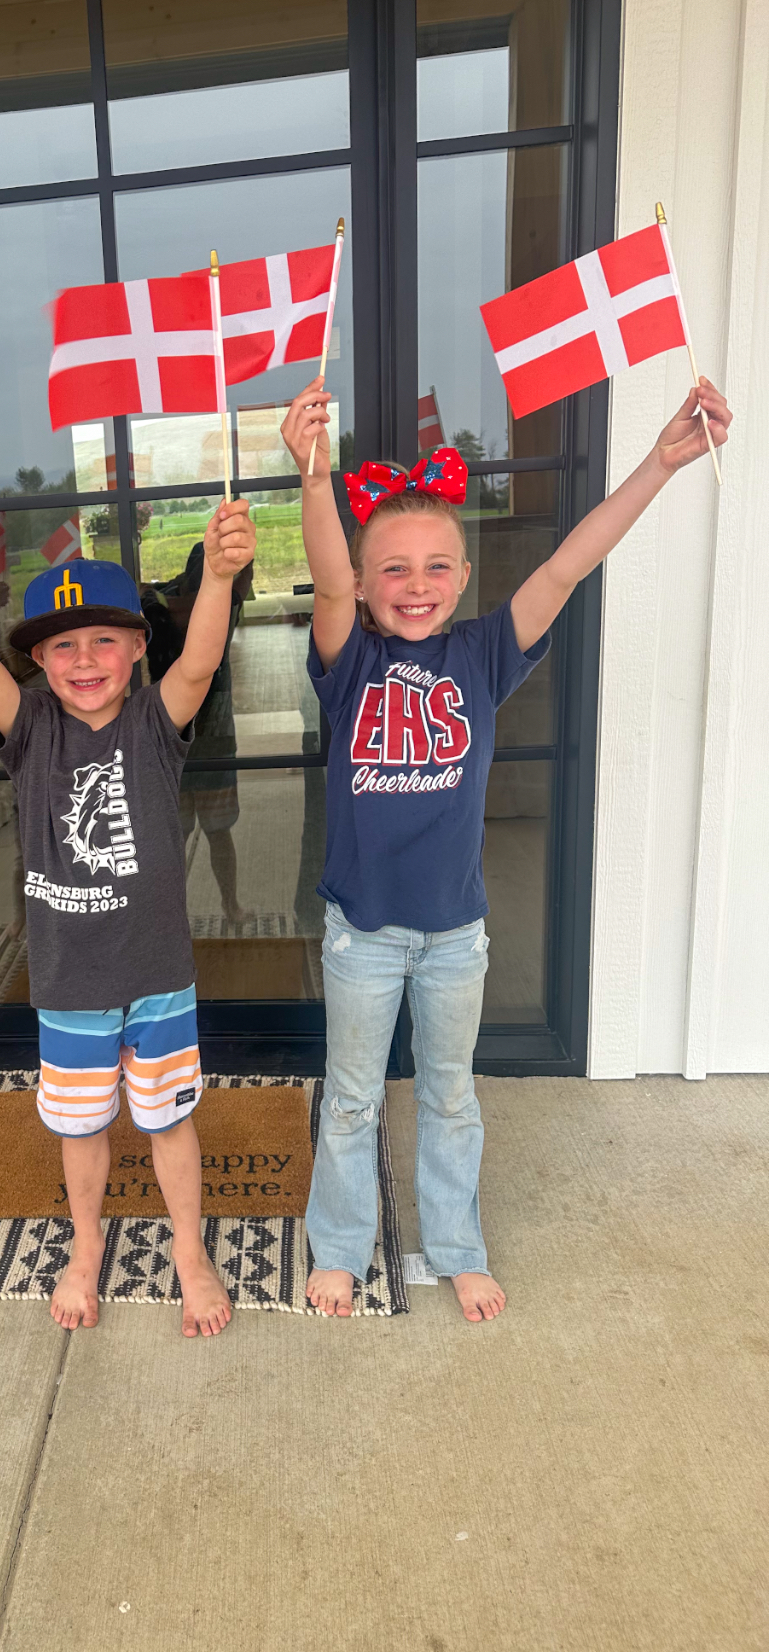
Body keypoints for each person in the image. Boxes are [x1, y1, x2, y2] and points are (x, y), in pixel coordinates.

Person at [281, 373, 731, 1322]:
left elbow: (567, 566)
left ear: (465, 577)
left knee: (451, 1098)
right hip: (363, 935)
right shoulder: (348, 660)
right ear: (364, 583)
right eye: (392, 569)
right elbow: (324, 577)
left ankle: (456, 1247)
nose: (415, 586)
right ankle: (338, 1246)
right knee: (353, 1100)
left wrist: (658, 463)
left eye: (437, 566)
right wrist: (313, 477)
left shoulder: (483, 655)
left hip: (454, 938)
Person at [0, 504, 258, 1336]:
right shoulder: (28, 729)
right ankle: (85, 1248)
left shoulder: (155, 722)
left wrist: (221, 578)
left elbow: (200, 663)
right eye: (62, 645)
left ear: (136, 648)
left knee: (169, 1120)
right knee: (81, 1124)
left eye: (103, 640)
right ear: (38, 662)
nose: (84, 659)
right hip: (69, 979)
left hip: (157, 972)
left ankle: (189, 1253)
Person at [142, 543, 254, 925]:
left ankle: (229, 904)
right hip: (178, 734)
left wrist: (150, 594)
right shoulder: (184, 602)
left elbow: (180, 604)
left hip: (209, 735)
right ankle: (182, 914)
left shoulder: (170, 604)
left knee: (216, 831)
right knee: (176, 836)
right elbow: (185, 602)